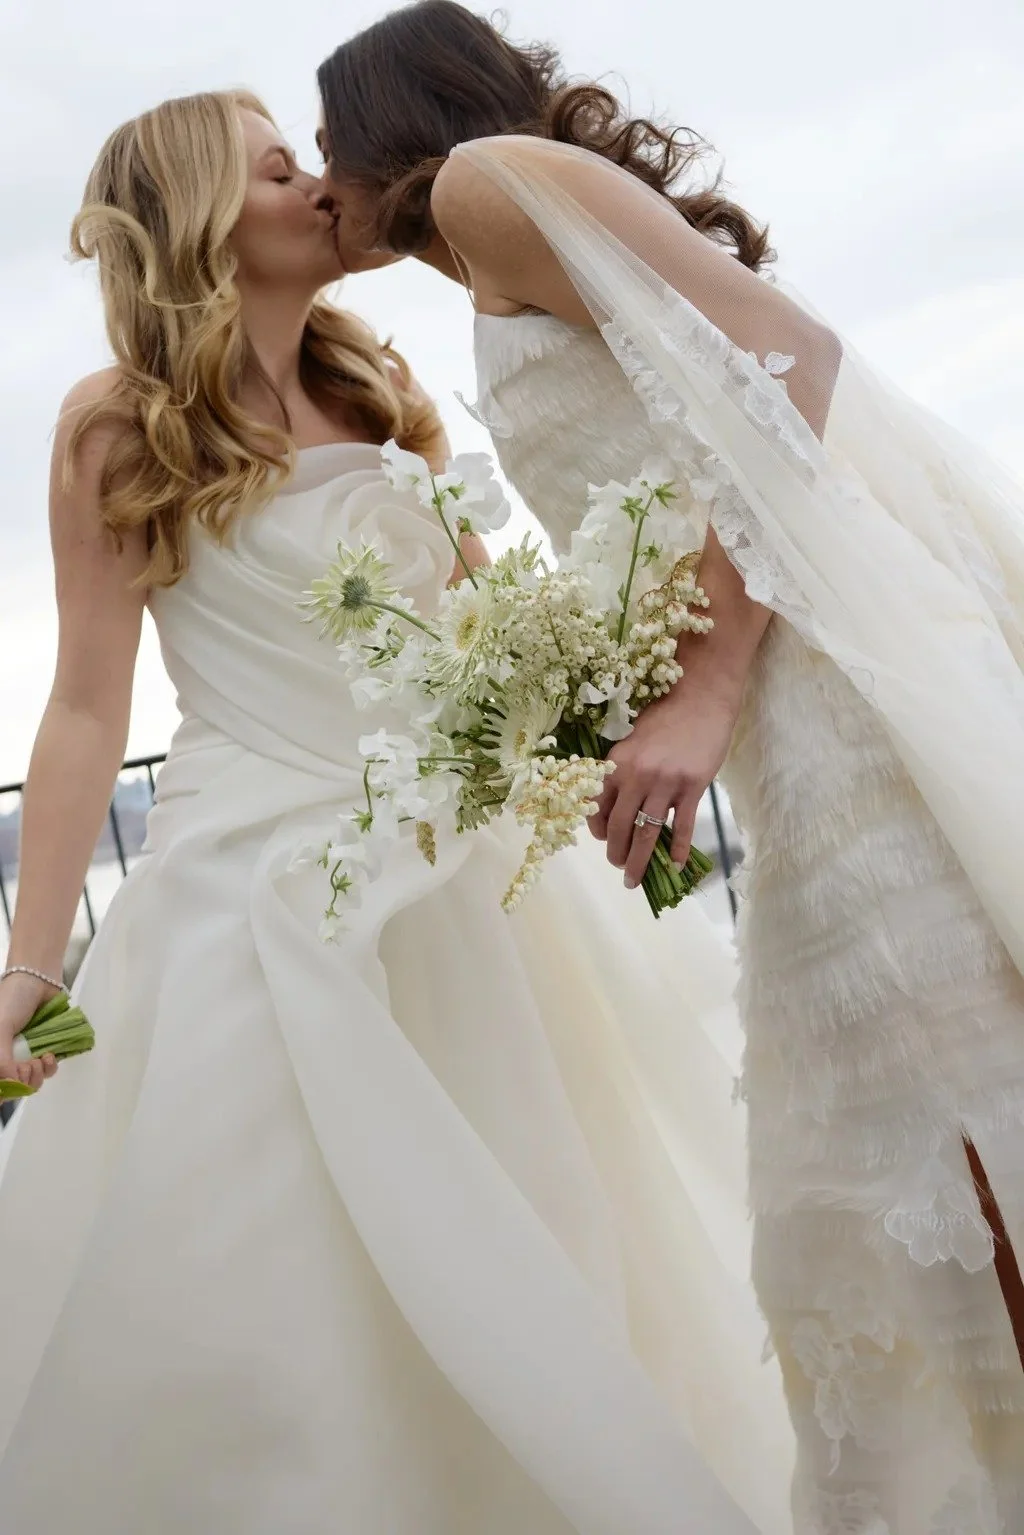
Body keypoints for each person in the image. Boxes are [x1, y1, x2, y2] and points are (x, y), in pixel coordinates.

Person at [0, 88, 795, 1535]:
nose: (321, 187)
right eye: (278, 169)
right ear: (195, 220)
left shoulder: (376, 395)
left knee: (540, 1247)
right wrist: (31, 964)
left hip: (466, 877)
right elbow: (82, 708)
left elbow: (488, 622)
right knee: (278, 1288)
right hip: (253, 894)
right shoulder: (119, 429)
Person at [315, 5, 1024, 1530]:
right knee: (939, 1159)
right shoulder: (499, 224)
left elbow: (790, 353)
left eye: (320, 143)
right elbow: (681, 451)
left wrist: (697, 692)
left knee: (962, 1141)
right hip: (797, 717)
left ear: (386, 127)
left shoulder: (479, 185)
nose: (317, 180)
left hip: (829, 712)